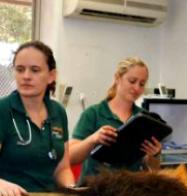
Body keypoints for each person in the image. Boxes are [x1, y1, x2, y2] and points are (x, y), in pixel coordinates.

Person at [0, 41, 75, 196]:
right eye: (20, 69)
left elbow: (62, 169)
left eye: (35, 70)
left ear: (51, 76)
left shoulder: (58, 112)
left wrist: (73, 190)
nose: (26, 76)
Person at [69, 57, 162, 185]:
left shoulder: (144, 119)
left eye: (141, 84)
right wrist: (93, 139)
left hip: (128, 192)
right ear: (118, 78)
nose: (136, 88)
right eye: (132, 81)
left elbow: (153, 169)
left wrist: (155, 155)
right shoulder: (93, 114)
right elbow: (71, 157)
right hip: (94, 192)